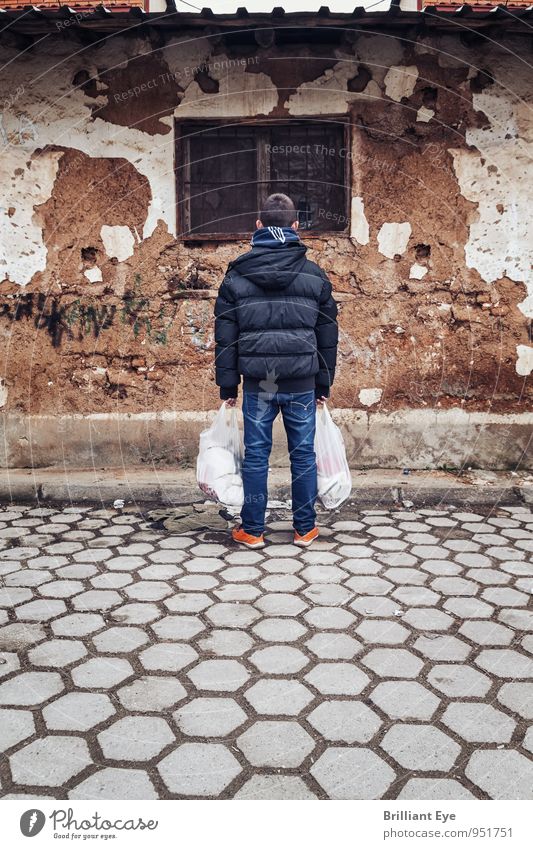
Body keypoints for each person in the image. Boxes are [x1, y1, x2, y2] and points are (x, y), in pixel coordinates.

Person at [214, 193, 338, 549]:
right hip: (301, 380)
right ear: (296, 227)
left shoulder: (236, 275)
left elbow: (225, 335)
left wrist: (228, 386)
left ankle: (252, 530)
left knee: (256, 455)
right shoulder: (315, 276)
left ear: (258, 226)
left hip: (258, 383)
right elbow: (328, 335)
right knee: (302, 454)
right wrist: (323, 382)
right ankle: (305, 529)